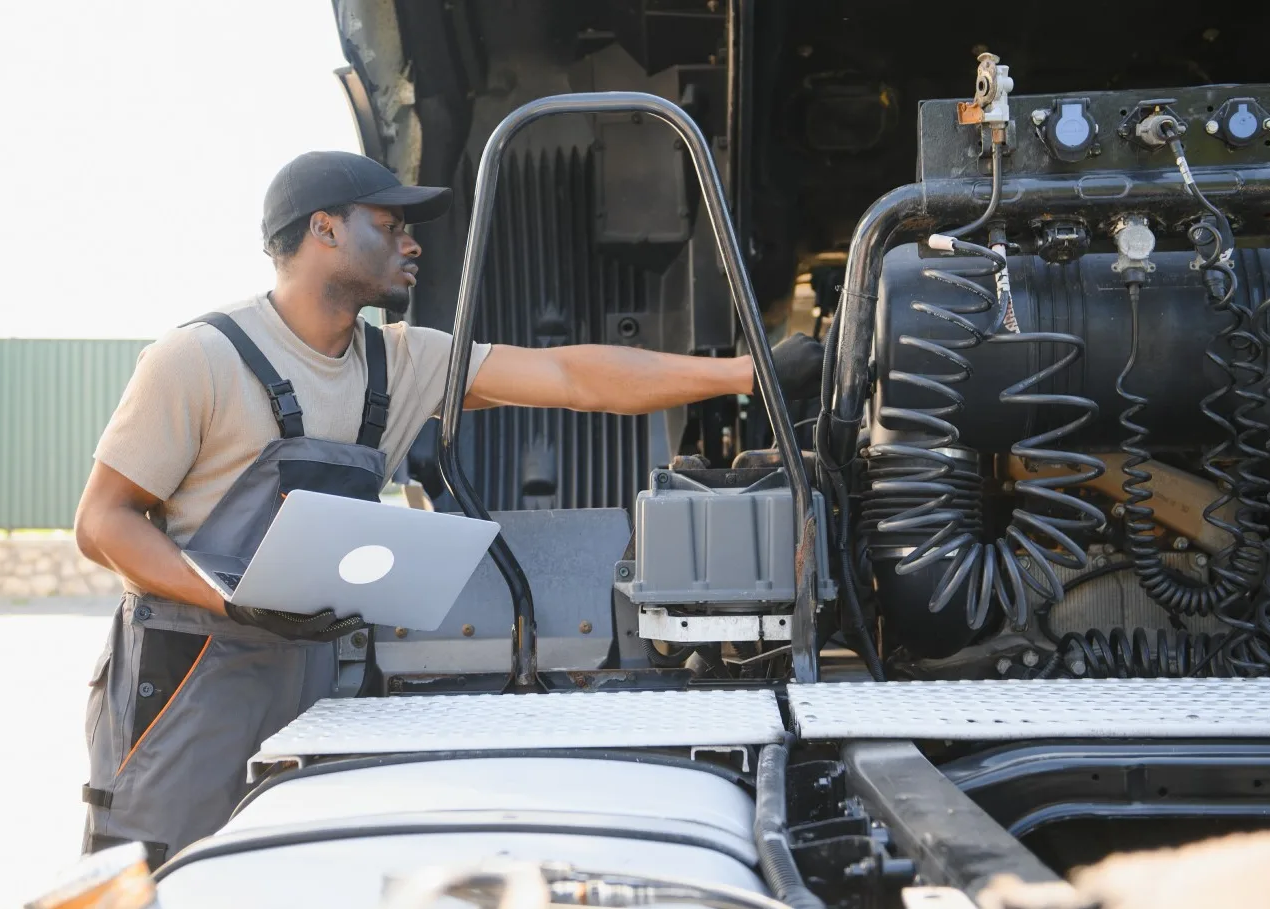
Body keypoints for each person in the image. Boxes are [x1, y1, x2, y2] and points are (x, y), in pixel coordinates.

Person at [73, 150, 825, 867]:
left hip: (308, 671)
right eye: (390, 224)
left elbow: (573, 374)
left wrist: (747, 373)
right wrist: (232, 602)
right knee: (161, 878)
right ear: (322, 229)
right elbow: (103, 521)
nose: (412, 243)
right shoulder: (199, 358)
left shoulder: (400, 363)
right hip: (191, 676)